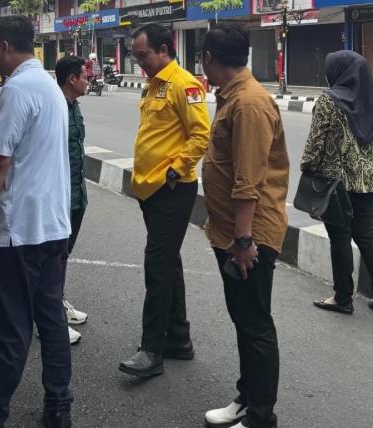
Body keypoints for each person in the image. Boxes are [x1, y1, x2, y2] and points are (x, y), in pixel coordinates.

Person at [0, 16, 73, 428]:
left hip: (22, 231)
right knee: (51, 320)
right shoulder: (47, 85)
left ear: (6, 46)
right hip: (53, 226)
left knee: (11, 330)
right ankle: (59, 407)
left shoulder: (17, 88)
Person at [201, 25, 288, 428]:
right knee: (243, 318)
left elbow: (248, 180)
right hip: (233, 234)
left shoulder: (249, 103)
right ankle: (246, 399)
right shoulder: (232, 96)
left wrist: (243, 239)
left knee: (254, 324)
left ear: (209, 58)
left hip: (249, 236)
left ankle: (260, 416)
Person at [119, 23, 210, 378]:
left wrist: (175, 170)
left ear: (162, 49)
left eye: (143, 55)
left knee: (157, 266)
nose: (139, 62)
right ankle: (178, 340)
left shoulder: (183, 84)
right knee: (168, 262)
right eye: (136, 56)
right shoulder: (154, 84)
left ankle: (152, 350)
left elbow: (200, 135)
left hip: (171, 189)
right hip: (151, 189)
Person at [300, 51, 373, 315]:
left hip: (335, 183)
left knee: (340, 236)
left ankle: (343, 297)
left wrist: (307, 168)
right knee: (366, 236)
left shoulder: (328, 101)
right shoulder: (369, 99)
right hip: (367, 182)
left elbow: (315, 144)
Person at [55, 56, 90, 345]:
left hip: (77, 196)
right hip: (58, 198)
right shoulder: (55, 109)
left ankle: (58, 303)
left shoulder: (74, 107)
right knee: (53, 259)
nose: (88, 80)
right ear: (71, 79)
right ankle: (49, 320)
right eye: (85, 76)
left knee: (63, 255)